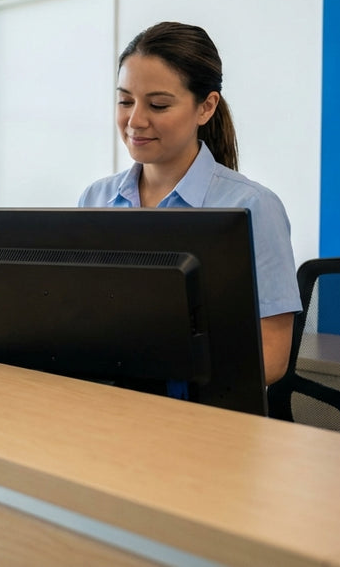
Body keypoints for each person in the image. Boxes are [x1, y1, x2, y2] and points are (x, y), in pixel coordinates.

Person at [78, 21, 301, 385]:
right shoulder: (96, 198)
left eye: (159, 104)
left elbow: (271, 360)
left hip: (199, 417)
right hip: (109, 406)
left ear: (206, 107)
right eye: (125, 101)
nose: (135, 121)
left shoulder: (252, 206)